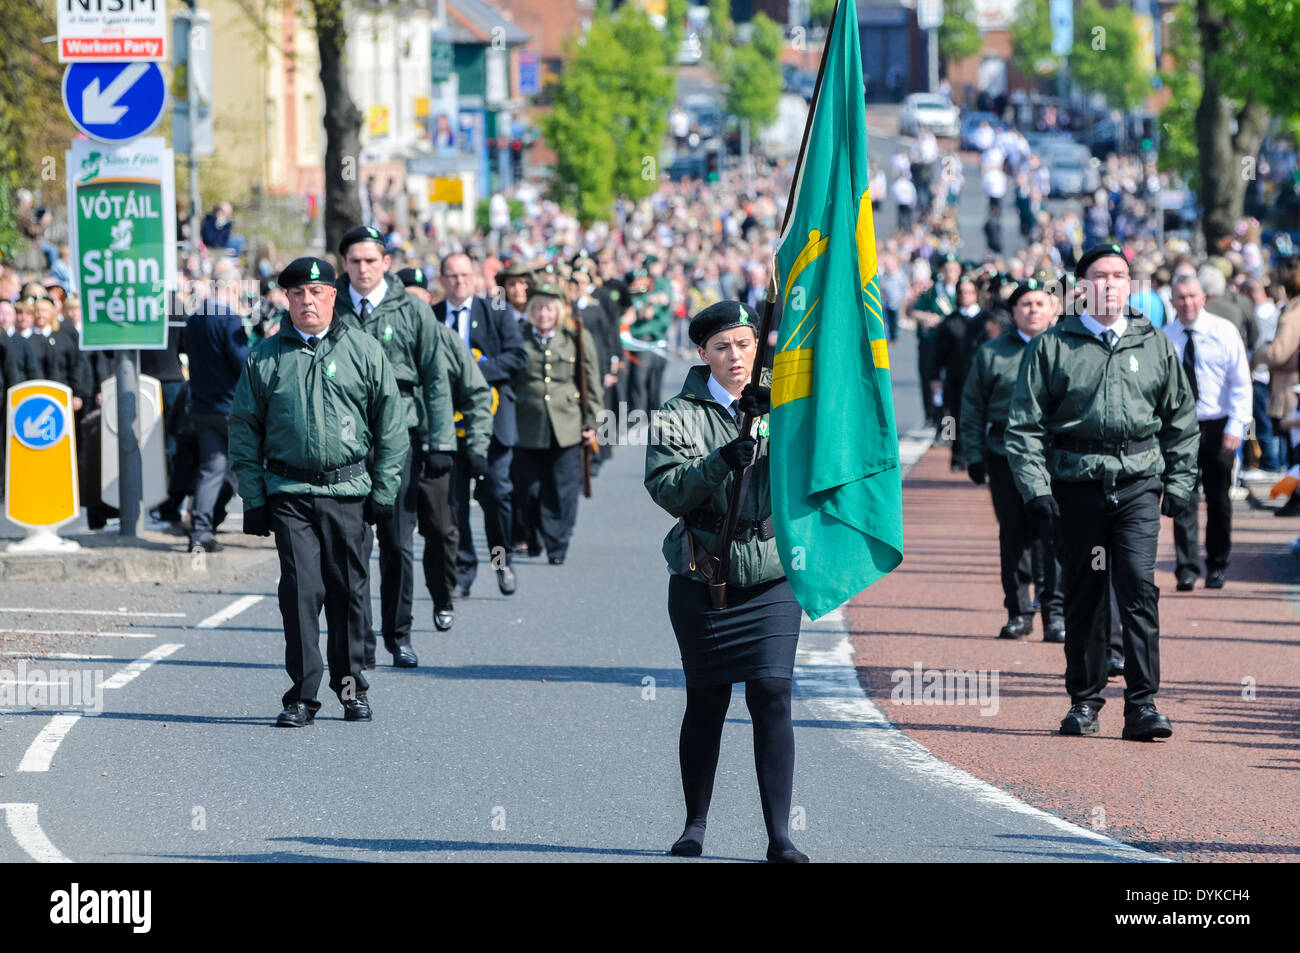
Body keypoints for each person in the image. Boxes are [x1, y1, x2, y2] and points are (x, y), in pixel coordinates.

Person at [1006, 243, 1199, 741]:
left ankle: (1142, 705)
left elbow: (1180, 419)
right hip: (1078, 487)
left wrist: (1179, 483)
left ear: (1130, 285)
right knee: (1087, 593)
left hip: (1138, 485)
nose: (1111, 283)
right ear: (1081, 287)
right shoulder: (1052, 346)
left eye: (1120, 275)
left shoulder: (1153, 343)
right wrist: (1036, 489)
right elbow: (1023, 426)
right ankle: (1085, 703)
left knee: (1137, 588)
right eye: (1100, 275)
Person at [644, 300, 808, 864]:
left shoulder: (786, 401)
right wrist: (720, 460)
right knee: (707, 697)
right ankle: (695, 824)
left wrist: (779, 424)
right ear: (702, 355)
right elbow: (667, 489)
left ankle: (780, 837)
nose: (735, 356)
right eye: (721, 348)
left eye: (744, 344)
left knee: (772, 691)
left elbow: (820, 466)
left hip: (770, 570)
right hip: (702, 572)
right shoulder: (676, 412)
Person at [228, 256, 407, 727]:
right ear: (287, 300)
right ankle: (302, 696)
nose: (307, 301)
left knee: (348, 591)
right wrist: (254, 498)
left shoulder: (364, 351)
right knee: (301, 592)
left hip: (347, 490)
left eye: (317, 293)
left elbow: (392, 427)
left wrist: (384, 491)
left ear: (333, 295)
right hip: (289, 491)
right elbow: (244, 429)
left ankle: (351, 689)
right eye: (298, 294)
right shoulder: (266, 357)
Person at [334, 225, 458, 668]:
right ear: (343, 264)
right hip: (344, 440)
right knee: (351, 543)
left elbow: (435, 377)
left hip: (398, 438)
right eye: (355, 261)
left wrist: (442, 441)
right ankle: (358, 640)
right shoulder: (331, 304)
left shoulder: (411, 308)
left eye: (371, 261)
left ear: (386, 263)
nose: (363, 269)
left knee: (397, 541)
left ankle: (398, 634)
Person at [961, 276, 1065, 642]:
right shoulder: (992, 353)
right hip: (1005, 455)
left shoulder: (1065, 348)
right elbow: (972, 406)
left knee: (1055, 536)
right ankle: (1019, 612)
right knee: (1015, 536)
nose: (1033, 310)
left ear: (1053, 309)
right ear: (1014, 312)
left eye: (1040, 303)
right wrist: (972, 453)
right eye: (1025, 304)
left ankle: (1056, 614)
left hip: (1054, 456)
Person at [434, 251, 527, 598]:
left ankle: (501, 563)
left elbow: (517, 357)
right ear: (442, 279)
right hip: (447, 427)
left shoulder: (496, 313)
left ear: (474, 278)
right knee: (454, 503)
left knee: (496, 496)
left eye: (464, 275)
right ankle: (462, 570)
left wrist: (471, 374)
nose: (459, 281)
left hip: (492, 425)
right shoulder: (433, 316)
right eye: (452, 275)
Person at [1163, 275, 1253, 590]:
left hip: (1218, 424)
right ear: (1172, 301)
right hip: (1181, 428)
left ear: (1203, 298)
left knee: (1218, 499)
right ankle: (1186, 568)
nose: (1186, 303)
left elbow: (1242, 383)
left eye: (1192, 296)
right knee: (1183, 497)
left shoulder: (1223, 332)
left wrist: (1237, 427)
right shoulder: (1164, 338)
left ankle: (1217, 564)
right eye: (1180, 298)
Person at [511, 281, 603, 564]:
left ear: (559, 310)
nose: (543, 314)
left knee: (563, 487)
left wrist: (592, 422)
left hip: (567, 423)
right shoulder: (518, 335)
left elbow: (591, 380)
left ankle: (558, 543)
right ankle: (534, 535)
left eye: (549, 308)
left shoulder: (575, 336)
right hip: (525, 424)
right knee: (529, 488)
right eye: (537, 308)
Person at [184, 260, 251, 553]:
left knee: (212, 467)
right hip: (229, 404)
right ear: (234, 286)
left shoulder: (195, 317)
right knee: (243, 465)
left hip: (201, 403)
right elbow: (242, 363)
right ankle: (209, 522)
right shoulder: (229, 319)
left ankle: (201, 529)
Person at [911, 254, 961, 427]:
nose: (950, 273)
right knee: (930, 379)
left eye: (954, 269)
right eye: (947, 269)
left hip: (953, 346)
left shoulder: (963, 291)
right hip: (931, 343)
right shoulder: (933, 291)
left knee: (951, 383)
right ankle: (932, 416)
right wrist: (927, 317)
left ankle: (948, 424)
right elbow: (914, 311)